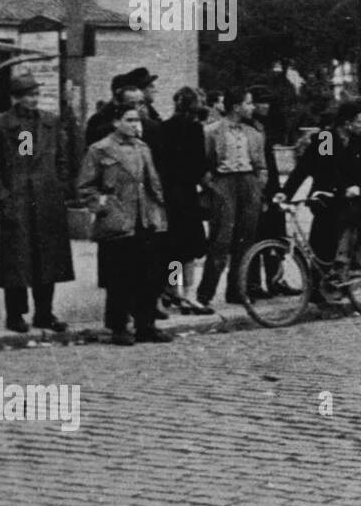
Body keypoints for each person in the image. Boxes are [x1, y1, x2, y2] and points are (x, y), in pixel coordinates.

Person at [0, 74, 74, 333]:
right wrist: (3, 199)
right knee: (17, 261)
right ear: (15, 98)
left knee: (48, 260)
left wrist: (60, 187)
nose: (32, 100)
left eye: (35, 95)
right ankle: (15, 314)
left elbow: (62, 158)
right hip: (17, 201)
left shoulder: (50, 123)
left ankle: (45, 313)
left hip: (46, 201)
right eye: (27, 95)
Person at [77, 101, 169, 344]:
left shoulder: (143, 148)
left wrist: (159, 211)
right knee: (120, 278)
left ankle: (145, 325)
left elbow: (152, 183)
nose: (134, 125)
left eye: (137, 120)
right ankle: (118, 326)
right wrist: (103, 207)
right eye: (129, 120)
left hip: (145, 218)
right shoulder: (100, 149)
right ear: (116, 122)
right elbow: (85, 187)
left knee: (148, 276)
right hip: (118, 222)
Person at [279, 100, 361, 275]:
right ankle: (320, 281)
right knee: (320, 241)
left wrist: (358, 188)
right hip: (328, 197)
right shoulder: (327, 138)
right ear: (347, 123)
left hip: (353, 199)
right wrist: (285, 193)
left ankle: (346, 268)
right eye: (359, 121)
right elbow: (313, 168)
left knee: (342, 233)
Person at [197, 88, 267, 308]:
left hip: (248, 183)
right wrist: (210, 184)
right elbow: (204, 161)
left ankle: (237, 290)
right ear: (236, 106)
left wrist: (259, 183)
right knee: (221, 238)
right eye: (248, 103)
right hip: (224, 182)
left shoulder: (254, 133)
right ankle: (205, 294)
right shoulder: (212, 131)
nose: (252, 107)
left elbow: (261, 164)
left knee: (246, 238)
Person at [159, 87, 212, 314]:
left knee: (173, 249)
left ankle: (173, 290)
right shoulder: (194, 129)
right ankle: (188, 294)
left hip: (169, 195)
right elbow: (200, 163)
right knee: (189, 249)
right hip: (187, 195)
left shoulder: (164, 127)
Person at [244, 85, 299, 298]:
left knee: (276, 235)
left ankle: (276, 279)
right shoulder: (250, 128)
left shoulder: (266, 126)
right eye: (260, 102)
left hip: (273, 187)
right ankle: (254, 284)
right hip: (259, 189)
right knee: (256, 237)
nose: (265, 106)